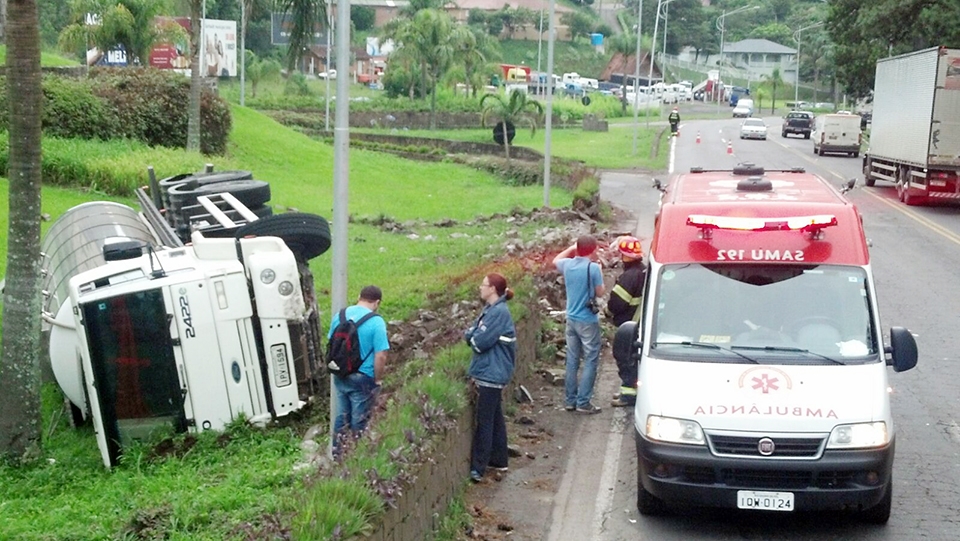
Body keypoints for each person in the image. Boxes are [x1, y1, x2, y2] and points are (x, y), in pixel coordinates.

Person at [465, 273, 517, 483]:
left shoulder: (498, 313)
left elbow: (478, 341)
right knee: (495, 418)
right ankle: (499, 459)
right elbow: (473, 333)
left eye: (483, 284)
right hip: (494, 372)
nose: (480, 287)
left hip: (490, 374)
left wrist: (472, 336)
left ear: (493, 289)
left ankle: (479, 467)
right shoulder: (492, 310)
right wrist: (472, 335)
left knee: (485, 421)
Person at [329, 285, 390, 455]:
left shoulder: (340, 315)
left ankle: (337, 457)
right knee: (359, 421)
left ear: (359, 297)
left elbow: (330, 343)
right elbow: (381, 356)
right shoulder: (376, 321)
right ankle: (357, 458)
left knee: (342, 418)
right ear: (377, 302)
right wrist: (377, 379)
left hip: (341, 374)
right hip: (363, 377)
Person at [553, 235, 605, 414]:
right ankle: (583, 402)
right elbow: (600, 292)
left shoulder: (567, 265)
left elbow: (555, 260)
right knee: (590, 359)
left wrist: (571, 248)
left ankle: (570, 400)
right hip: (587, 320)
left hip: (571, 318)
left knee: (572, 359)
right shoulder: (593, 268)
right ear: (592, 250)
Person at [605, 236, 647, 407]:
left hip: (629, 325)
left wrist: (607, 312)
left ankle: (629, 394)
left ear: (625, 257)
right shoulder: (643, 271)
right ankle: (628, 390)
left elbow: (617, 303)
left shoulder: (630, 276)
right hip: (639, 323)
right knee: (634, 358)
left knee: (625, 356)